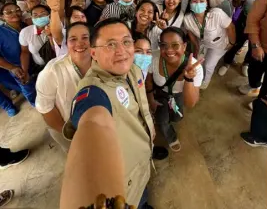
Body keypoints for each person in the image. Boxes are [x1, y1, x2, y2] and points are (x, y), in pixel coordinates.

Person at [61, 18, 155, 208]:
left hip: (142, 162)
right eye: (111, 44)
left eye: (126, 42)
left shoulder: (132, 69)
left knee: (143, 196)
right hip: (125, 181)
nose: (121, 50)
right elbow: (94, 122)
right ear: (93, 53)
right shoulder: (94, 90)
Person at [36, 22, 92, 152]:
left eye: (85, 37)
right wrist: (71, 135)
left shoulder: (101, 63)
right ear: (66, 43)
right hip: (66, 131)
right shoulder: (52, 71)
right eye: (73, 39)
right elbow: (46, 109)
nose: (80, 43)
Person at [146, 27, 203, 151]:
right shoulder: (154, 58)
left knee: (177, 117)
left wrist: (188, 79)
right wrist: (150, 99)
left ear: (184, 46)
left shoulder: (195, 67)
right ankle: (171, 137)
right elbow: (149, 80)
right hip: (160, 94)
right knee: (162, 121)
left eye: (175, 45)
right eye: (164, 45)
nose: (169, 50)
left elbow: (190, 103)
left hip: (179, 95)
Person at [219, 0, 267, 79]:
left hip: (264, 28)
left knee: (254, 47)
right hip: (245, 19)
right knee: (237, 42)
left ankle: (246, 64)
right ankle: (227, 62)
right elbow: (237, 3)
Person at [184, 0, 236, 89]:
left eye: (201, 1)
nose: (198, 4)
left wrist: (232, 43)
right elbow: (191, 35)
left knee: (208, 65)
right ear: (190, 3)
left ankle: (206, 81)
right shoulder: (188, 18)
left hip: (219, 44)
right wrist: (196, 48)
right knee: (198, 62)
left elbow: (231, 27)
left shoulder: (217, 14)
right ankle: (198, 77)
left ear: (207, 3)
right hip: (203, 42)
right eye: (194, 1)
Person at [240, 0, 267, 147]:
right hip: (263, 49)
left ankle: (261, 137)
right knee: (257, 78)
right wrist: (256, 45)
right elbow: (252, 20)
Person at [0, 3, 36, 116]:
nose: (15, 13)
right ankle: (35, 102)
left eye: (17, 10)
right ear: (1, 16)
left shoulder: (25, 26)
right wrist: (12, 68)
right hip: (17, 67)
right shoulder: (1, 33)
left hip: (33, 62)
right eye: (9, 12)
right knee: (27, 86)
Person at [19, 4, 53, 77]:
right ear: (31, 18)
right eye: (35, 15)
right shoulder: (25, 32)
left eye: (43, 14)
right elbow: (25, 52)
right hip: (40, 68)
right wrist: (25, 71)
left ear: (49, 15)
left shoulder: (58, 29)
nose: (39, 17)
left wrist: (51, 35)